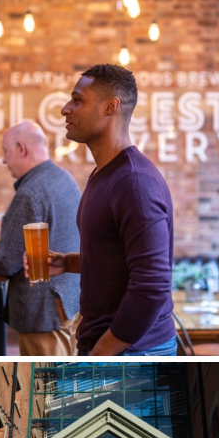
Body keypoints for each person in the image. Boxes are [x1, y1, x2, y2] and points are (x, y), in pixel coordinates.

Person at [33, 64, 176, 356]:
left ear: (110, 107)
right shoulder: (105, 174)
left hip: (133, 354)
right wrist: (68, 262)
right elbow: (117, 258)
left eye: (77, 100)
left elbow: (152, 287)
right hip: (113, 349)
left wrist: (101, 354)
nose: (65, 109)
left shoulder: (135, 183)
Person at [0, 121, 81, 355]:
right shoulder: (63, 178)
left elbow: (6, 262)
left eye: (6, 152)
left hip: (43, 309)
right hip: (68, 302)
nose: (4, 160)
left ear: (21, 148)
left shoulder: (30, 193)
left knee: (45, 382)